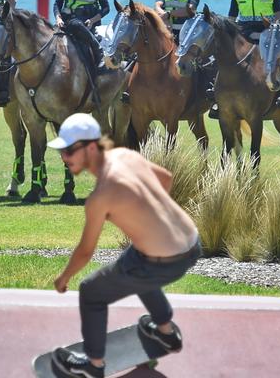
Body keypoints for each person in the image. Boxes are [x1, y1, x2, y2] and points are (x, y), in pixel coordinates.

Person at [49, 113, 201, 378]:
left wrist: (64, 278)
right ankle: (167, 333)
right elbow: (166, 178)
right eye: (62, 150)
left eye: (70, 150)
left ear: (91, 147)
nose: (64, 157)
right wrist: (150, 221)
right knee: (135, 260)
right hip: (193, 244)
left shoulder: (101, 196)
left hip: (164, 263)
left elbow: (86, 252)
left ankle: (93, 365)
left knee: (91, 291)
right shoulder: (126, 156)